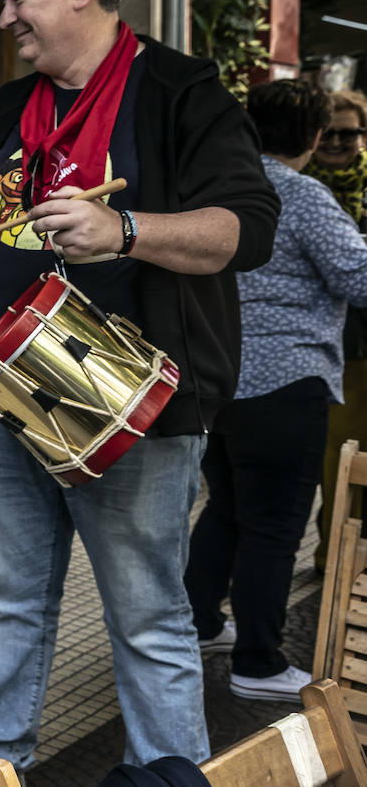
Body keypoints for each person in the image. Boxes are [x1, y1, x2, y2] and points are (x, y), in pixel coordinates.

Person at [0, 0, 279, 781]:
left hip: (132, 402)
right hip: (11, 391)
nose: (4, 19)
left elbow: (246, 229)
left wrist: (126, 227)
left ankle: (168, 772)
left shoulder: (182, 92)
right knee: (9, 599)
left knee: (146, 615)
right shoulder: (9, 107)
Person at [184, 80, 367, 701]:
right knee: (276, 526)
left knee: (227, 508)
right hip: (286, 382)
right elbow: (360, 276)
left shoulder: (217, 189)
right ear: (315, 136)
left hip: (217, 380)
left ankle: (201, 622)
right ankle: (258, 663)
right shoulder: (303, 194)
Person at [304, 89, 367, 571]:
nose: (339, 142)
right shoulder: (300, 186)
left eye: (350, 133)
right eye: (331, 132)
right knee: (338, 457)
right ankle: (334, 556)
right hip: (333, 345)